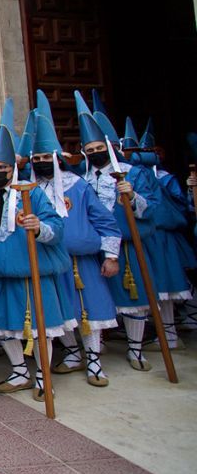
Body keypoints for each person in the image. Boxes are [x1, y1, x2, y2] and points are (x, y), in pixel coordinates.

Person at [0, 98, 73, 401]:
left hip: (30, 276)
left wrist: (37, 227)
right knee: (3, 329)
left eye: (3, 167)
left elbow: (57, 229)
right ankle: (18, 371)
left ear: (14, 168)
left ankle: (43, 375)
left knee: (40, 329)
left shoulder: (34, 195)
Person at [30, 91, 120, 387]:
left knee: (91, 308)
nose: (43, 162)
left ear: (58, 159)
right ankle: (70, 352)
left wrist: (110, 255)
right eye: (38, 158)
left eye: (47, 157)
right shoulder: (27, 191)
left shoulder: (78, 186)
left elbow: (104, 221)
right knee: (60, 309)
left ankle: (94, 359)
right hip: (49, 262)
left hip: (83, 261)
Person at [76, 92, 162, 370]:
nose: (94, 153)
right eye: (89, 150)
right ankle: (94, 352)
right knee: (96, 300)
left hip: (128, 246)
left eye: (98, 148)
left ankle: (135, 349)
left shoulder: (132, 173)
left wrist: (133, 196)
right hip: (94, 248)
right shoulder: (81, 180)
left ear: (109, 147)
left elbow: (152, 210)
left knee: (133, 297)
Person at [125, 118, 195, 352]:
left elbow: (176, 205)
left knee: (164, 285)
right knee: (148, 286)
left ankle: (170, 334)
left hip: (160, 235)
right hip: (144, 237)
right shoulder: (127, 175)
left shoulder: (157, 177)